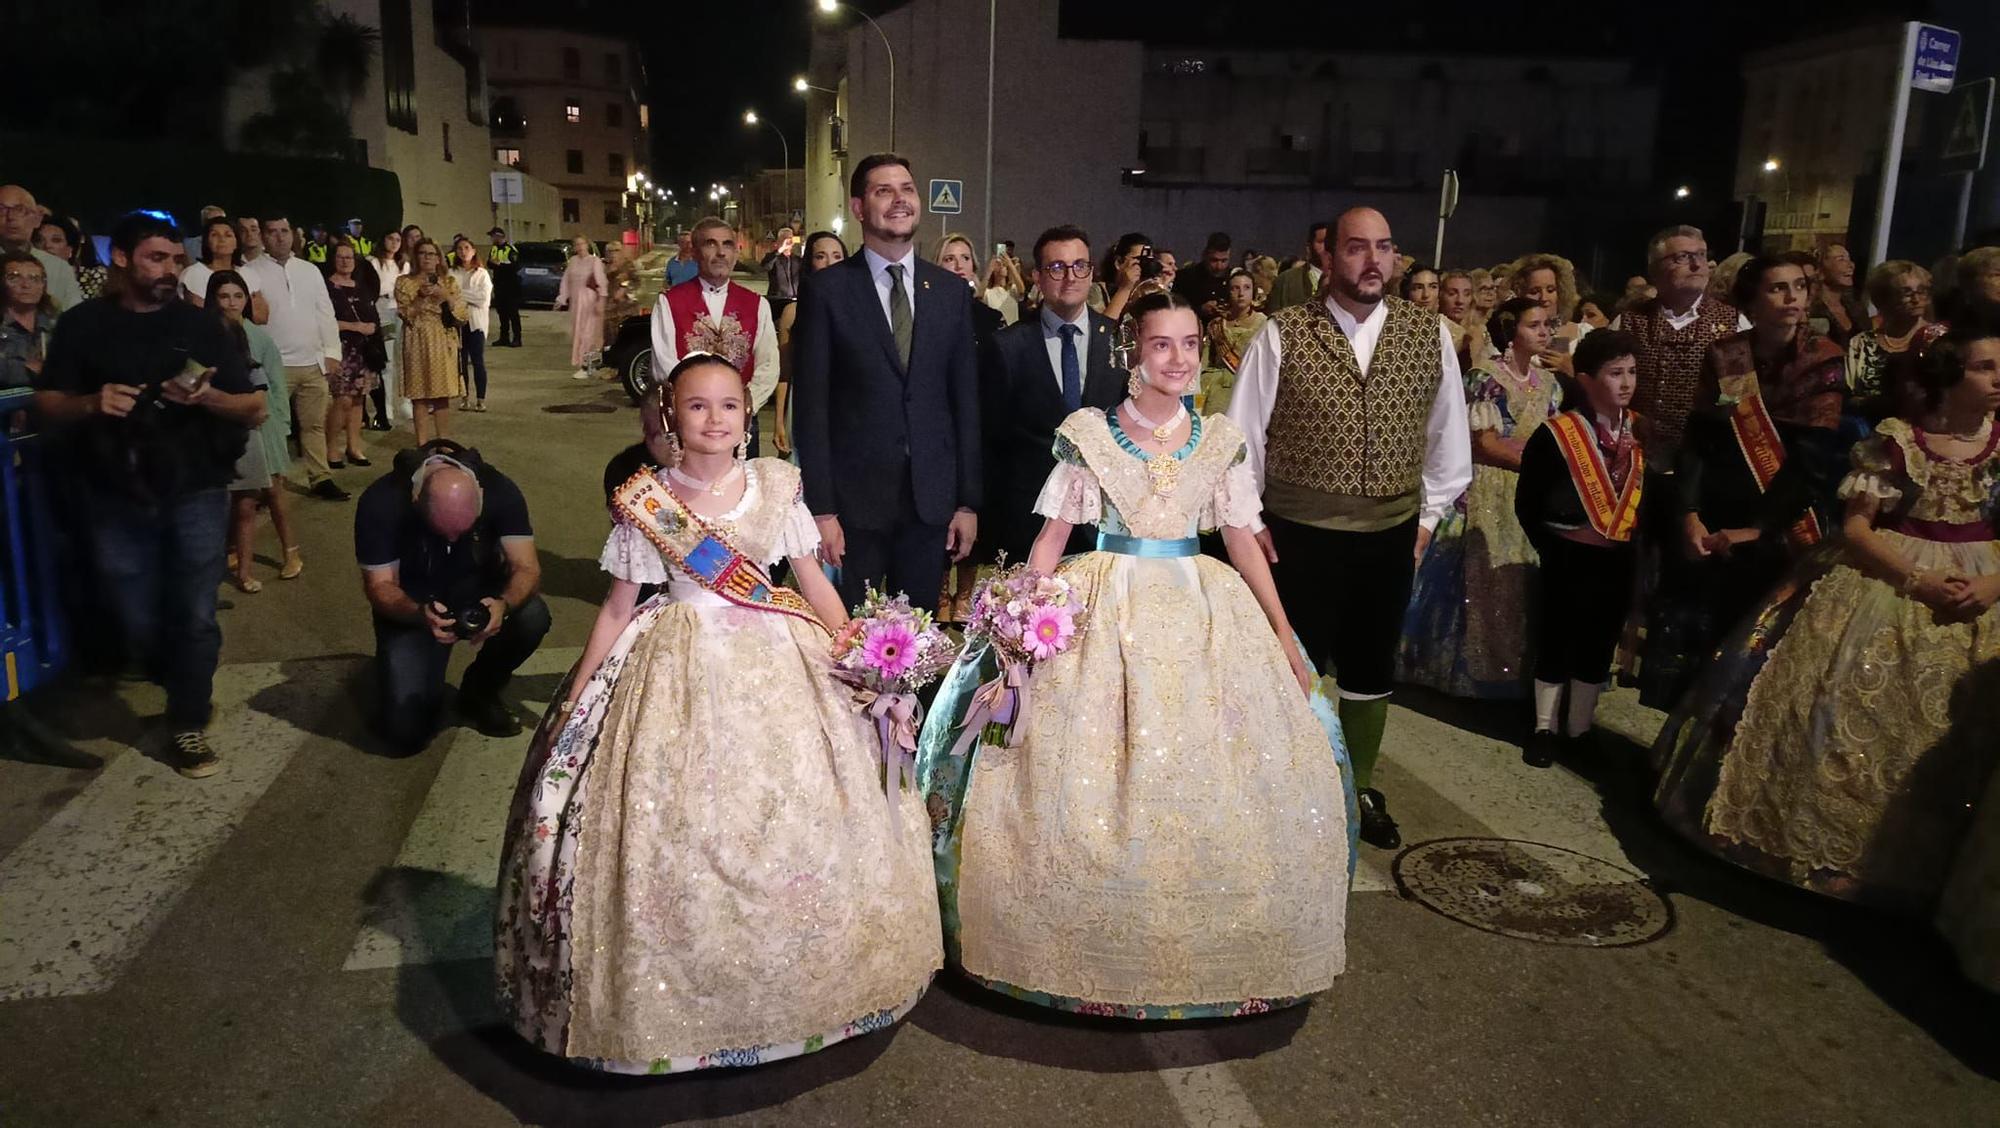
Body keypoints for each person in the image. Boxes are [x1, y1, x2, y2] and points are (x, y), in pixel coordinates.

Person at [495, 353, 938, 1072]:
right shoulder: (647, 502)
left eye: (728, 406)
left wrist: (855, 652)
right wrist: (577, 693)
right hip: (676, 662)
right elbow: (616, 609)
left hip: (782, 658)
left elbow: (811, 584)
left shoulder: (776, 485)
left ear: (748, 414)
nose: (714, 420)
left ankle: (812, 988)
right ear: (671, 415)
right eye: (697, 406)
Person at [916, 288, 1349, 1019]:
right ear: (1131, 353)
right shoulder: (1088, 433)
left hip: (1202, 607)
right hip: (1101, 605)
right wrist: (1018, 621)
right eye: (1160, 345)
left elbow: (1241, 539)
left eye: (1189, 344)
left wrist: (1280, 631)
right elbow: (1052, 539)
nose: (1178, 359)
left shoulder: (1217, 439)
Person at [1653, 321, 2000, 911]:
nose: (1998, 380)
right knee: (1841, 705)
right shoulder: (1898, 440)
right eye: (1985, 368)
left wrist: (1993, 583)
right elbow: (1859, 527)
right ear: (1949, 376)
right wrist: (1913, 577)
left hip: (1983, 581)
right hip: (1892, 574)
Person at [1229, 206, 1472, 849]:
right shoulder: (1282, 333)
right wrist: (1251, 522)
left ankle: (1359, 786)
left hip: (1391, 533)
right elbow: (1243, 439)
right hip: (1297, 532)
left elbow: (1449, 437)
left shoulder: (1430, 335)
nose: (1373, 261)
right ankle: (1288, 785)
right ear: (1329, 257)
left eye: (1385, 248)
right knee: (1293, 664)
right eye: (1358, 248)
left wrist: (1426, 520)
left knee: (1371, 665)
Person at [32, 211, 266, 778]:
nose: (169, 270)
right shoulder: (84, 325)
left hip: (195, 488)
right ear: (120, 259)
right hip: (114, 492)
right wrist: (91, 403)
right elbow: (47, 401)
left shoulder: (203, 325)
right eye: (155, 259)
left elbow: (255, 407)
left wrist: (208, 400)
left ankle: (187, 718)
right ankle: (178, 673)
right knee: (135, 609)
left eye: (174, 259)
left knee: (193, 612)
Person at [1638, 257, 1843, 710]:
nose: (1792, 298)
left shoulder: (1822, 358)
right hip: (1714, 514)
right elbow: (1700, 440)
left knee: (1749, 651)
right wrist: (1690, 515)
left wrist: (1758, 530)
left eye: (1800, 286)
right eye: (1777, 289)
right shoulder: (1728, 355)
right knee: (1694, 642)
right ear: (1751, 300)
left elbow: (1815, 459)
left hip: (1781, 520)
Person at [791, 153, 982, 611]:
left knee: (917, 639)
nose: (900, 200)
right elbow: (812, 408)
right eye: (884, 191)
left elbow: (965, 405)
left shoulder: (951, 293)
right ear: (858, 208)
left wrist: (968, 503)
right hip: (856, 508)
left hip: (930, 502)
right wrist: (821, 509)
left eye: (908, 189)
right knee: (859, 643)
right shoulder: (828, 291)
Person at [1399, 297, 1560, 701]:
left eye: (1547, 325)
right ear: (1511, 332)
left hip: (1527, 492)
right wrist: (1539, 463)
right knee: (1471, 573)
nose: (1544, 333)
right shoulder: (1484, 379)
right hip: (1485, 487)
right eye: (1534, 325)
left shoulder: (1550, 384)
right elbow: (1481, 445)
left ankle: (1510, 670)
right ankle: (1449, 668)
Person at [355, 439, 549, 752]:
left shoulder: (500, 490)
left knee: (532, 615)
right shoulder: (382, 502)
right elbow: (379, 586)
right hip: (413, 603)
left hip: (478, 592)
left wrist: (504, 604)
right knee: (406, 734)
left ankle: (481, 690)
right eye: (443, 531)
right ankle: (413, 681)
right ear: (416, 498)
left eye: (463, 532)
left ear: (480, 496)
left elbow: (527, 568)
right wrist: (418, 613)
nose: (453, 540)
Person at [1513, 330, 1646, 766]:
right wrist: (1551, 546)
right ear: (1586, 379)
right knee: (1557, 638)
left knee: (1598, 643)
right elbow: (1528, 502)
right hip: (1567, 555)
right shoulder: (1558, 435)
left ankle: (1580, 729)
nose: (1626, 383)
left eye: (1631, 372)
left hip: (1617, 558)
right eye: (1614, 373)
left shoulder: (1640, 433)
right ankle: (1543, 728)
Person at [982, 224, 1128, 572]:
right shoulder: (1008, 346)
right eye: (1057, 268)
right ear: (1037, 276)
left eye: (1080, 266)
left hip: (1103, 518)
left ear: (1091, 272)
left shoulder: (1117, 340)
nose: (1070, 277)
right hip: (1029, 516)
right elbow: (989, 437)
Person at [1611, 226, 1746, 465]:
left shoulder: (1735, 324)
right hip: (1635, 458)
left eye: (1701, 255)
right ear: (1655, 269)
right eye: (1682, 257)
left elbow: (1745, 403)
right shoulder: (1627, 321)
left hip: (1702, 464)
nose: (1696, 264)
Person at [648, 218, 779, 452]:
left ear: (735, 253)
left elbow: (768, 364)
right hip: (691, 423)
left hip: (742, 423)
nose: (720, 252)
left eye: (727, 244)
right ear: (695, 252)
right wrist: (697, 406)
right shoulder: (669, 302)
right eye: (711, 244)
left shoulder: (757, 304)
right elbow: (663, 364)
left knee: (743, 487)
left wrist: (745, 406)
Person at [240, 213, 346, 500]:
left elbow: (325, 312)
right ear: (262, 236)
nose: (279, 237)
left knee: (313, 425)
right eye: (272, 231)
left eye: (284, 231)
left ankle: (320, 477)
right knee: (273, 431)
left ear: (293, 234)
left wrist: (332, 352)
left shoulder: (309, 270)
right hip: (275, 367)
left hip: (311, 362)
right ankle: (268, 487)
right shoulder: (250, 272)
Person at [206, 270, 300, 592]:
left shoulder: (260, 338)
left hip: (266, 422)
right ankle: (235, 556)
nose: (232, 303)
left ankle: (292, 553)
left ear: (247, 299)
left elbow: (274, 385)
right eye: (224, 296)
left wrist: (281, 425)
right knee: (241, 499)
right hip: (227, 426)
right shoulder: (208, 335)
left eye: (237, 296)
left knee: (274, 492)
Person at [934, 232, 1006, 621]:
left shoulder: (991, 319)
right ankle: (939, 593)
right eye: (949, 258)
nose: (959, 265)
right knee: (941, 511)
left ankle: (964, 595)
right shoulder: (927, 315)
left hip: (980, 429)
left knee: (975, 509)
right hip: (939, 429)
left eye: (965, 258)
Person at [773, 231, 846, 457]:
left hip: (848, 409)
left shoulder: (860, 311)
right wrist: (779, 422)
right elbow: (785, 374)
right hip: (806, 407)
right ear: (810, 262)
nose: (829, 262)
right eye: (821, 256)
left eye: (837, 256)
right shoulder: (793, 313)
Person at [1846, 260, 1941, 428]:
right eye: (1906, 292)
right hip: (1869, 428)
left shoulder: (1939, 339)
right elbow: (1851, 396)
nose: (1916, 299)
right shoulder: (1862, 343)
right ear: (1883, 298)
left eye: (1922, 291)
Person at [393, 239, 467, 444]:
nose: (427, 257)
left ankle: (443, 442)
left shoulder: (449, 282)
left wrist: (446, 297)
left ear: (438, 258)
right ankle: (422, 443)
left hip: (442, 339)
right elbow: (405, 314)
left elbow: (462, 314)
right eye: (423, 253)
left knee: (442, 394)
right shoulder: (404, 282)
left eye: (431, 253)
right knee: (420, 394)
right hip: (417, 339)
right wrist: (419, 298)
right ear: (416, 257)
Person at [325, 243, 383, 469]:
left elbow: (373, 316)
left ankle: (354, 446)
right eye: (340, 257)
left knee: (359, 399)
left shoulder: (361, 288)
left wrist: (372, 329)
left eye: (349, 257)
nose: (345, 261)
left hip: (363, 352)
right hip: (341, 351)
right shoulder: (327, 288)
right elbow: (325, 320)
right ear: (334, 260)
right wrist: (355, 326)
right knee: (343, 400)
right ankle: (332, 449)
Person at [0, 185, 83, 312]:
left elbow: (75, 317)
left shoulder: (59, 268)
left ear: (37, 219)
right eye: (2, 210)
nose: (11, 217)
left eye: (20, 210)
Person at [1201, 267, 1266, 416]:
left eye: (1246, 288)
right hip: (1215, 391)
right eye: (1235, 288)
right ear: (1228, 292)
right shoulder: (1216, 325)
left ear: (1254, 292)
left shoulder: (1264, 324)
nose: (1241, 293)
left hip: (1248, 389)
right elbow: (1205, 363)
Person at [180, 217, 269, 324]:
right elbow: (200, 318)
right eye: (215, 235)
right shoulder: (193, 274)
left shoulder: (249, 274)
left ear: (236, 242)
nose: (222, 239)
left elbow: (261, 317)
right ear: (207, 242)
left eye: (228, 235)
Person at [1513, 253, 1584, 371]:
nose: (1544, 298)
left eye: (1550, 290)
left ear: (1561, 292)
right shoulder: (1510, 337)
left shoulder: (1583, 332)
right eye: (1534, 291)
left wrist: (1571, 370)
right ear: (1519, 294)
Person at [366, 230, 407, 430]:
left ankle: (406, 401)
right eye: (390, 238)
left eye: (398, 240)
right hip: (382, 312)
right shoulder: (373, 262)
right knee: (387, 361)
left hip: (400, 312)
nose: (394, 243)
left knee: (404, 359)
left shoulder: (403, 264)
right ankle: (387, 406)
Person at [0, 251, 55, 393]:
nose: (26, 285)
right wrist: (27, 369)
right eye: (14, 278)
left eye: (35, 278)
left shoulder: (57, 324)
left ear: (43, 286)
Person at [449, 237, 492, 412]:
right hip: (457, 323)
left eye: (466, 247)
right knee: (460, 362)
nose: (463, 251)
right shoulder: (452, 273)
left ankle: (480, 398)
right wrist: (463, 295)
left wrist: (459, 294)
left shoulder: (482, 274)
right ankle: (464, 397)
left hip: (477, 324)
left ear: (473, 251)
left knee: (478, 361)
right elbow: (447, 295)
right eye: (459, 248)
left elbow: (482, 299)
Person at [554, 236, 605, 381]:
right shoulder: (573, 261)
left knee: (588, 334)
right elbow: (566, 281)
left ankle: (586, 366)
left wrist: (600, 301)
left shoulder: (594, 261)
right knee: (578, 333)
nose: (580, 246)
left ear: (587, 245)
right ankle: (584, 364)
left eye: (582, 243)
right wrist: (562, 298)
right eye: (577, 244)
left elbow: (601, 282)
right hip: (577, 302)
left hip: (590, 301)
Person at [34, 215, 107, 302]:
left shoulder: (93, 276)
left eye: (56, 240)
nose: (47, 246)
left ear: (70, 249)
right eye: (39, 240)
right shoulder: (27, 277)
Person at [1090, 231, 1154, 321]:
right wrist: (1125, 288)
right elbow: (1102, 331)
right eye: (1139, 260)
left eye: (1148, 261)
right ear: (1119, 262)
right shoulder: (1095, 292)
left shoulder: (1147, 293)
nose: (1144, 266)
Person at [1174, 230, 1233, 320]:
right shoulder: (1185, 277)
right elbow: (1174, 310)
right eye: (1214, 260)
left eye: (1224, 261)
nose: (1219, 267)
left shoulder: (1234, 278)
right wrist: (1199, 310)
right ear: (1205, 255)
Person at [486, 227, 522, 348]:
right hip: (499, 285)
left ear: (499, 236)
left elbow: (515, 266)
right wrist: (495, 264)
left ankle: (517, 338)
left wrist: (499, 265)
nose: (491, 239)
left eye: (493, 236)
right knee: (502, 312)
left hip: (511, 286)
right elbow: (489, 263)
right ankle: (504, 337)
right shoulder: (494, 249)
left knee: (513, 313)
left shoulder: (510, 249)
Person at [762, 224, 802, 319]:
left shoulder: (797, 260)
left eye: (790, 238)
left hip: (794, 300)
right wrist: (780, 250)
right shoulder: (773, 257)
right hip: (777, 300)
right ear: (779, 241)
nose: (788, 241)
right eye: (785, 238)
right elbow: (765, 266)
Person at [981, 254, 1022, 326]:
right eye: (998, 264)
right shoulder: (988, 293)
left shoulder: (1012, 290)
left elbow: (1022, 289)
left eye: (1003, 265)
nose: (1001, 266)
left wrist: (1010, 265)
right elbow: (979, 295)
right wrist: (990, 269)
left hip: (1013, 332)